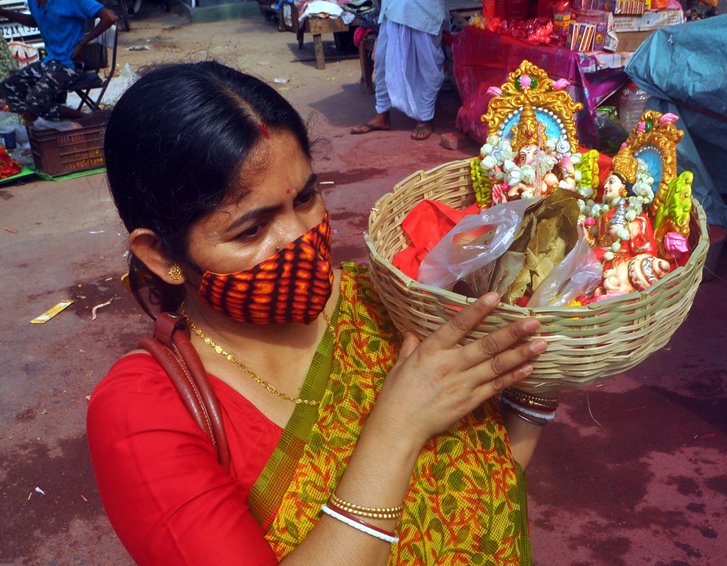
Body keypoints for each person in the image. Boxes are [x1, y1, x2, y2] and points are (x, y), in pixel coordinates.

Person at [88, 61, 556, 565]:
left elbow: (482, 492)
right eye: (251, 231)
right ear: (160, 255)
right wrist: (397, 426)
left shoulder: (384, 301)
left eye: (306, 198)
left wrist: (539, 378)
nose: (299, 240)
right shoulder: (144, 411)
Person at [0, 0, 117, 123]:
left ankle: (87, 119)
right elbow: (35, 21)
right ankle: (37, 126)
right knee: (7, 86)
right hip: (49, 62)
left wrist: (83, 43)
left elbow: (109, 17)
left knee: (35, 100)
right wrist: (3, 12)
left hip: (71, 64)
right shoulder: (33, 2)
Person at [350, 0, 446, 141]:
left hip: (423, 11)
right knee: (383, 61)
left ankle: (425, 118)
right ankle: (382, 115)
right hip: (393, 10)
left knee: (426, 65)